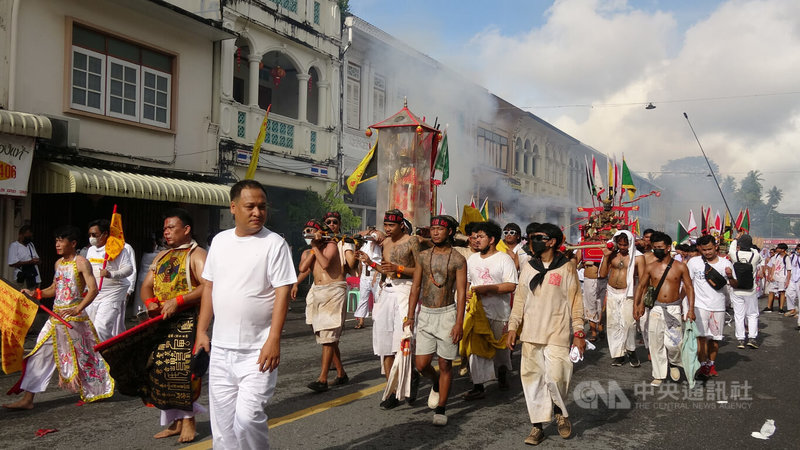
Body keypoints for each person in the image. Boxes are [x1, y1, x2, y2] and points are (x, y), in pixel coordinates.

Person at [196, 180, 297, 449]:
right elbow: (209, 286)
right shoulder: (219, 242)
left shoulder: (274, 244)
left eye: (262, 207)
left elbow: (282, 292)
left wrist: (273, 339)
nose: (257, 212)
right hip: (221, 350)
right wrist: (201, 331)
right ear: (233, 207)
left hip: (257, 351)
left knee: (248, 418)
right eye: (250, 206)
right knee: (223, 427)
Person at [3, 226, 114, 410]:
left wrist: (77, 309)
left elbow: (93, 289)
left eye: (61, 241)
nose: (57, 244)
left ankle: (98, 391)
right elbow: (54, 289)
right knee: (38, 354)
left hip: (75, 321)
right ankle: (28, 399)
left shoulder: (81, 262)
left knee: (85, 357)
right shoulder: (58, 264)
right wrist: (35, 293)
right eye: (56, 241)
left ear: (73, 243)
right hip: (55, 318)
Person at [507, 222, 585, 445]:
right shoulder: (529, 267)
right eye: (531, 237)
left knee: (558, 376)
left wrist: (578, 332)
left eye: (538, 237)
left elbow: (576, 302)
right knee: (533, 381)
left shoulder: (567, 267)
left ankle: (560, 409)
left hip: (557, 334)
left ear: (551, 241)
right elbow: (520, 299)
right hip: (531, 334)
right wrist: (513, 327)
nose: (532, 241)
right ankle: (537, 426)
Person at [139, 209, 208, 443]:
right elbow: (147, 286)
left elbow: (207, 287)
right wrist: (149, 302)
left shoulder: (197, 254)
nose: (166, 232)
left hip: (189, 320)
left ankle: (189, 420)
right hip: (162, 322)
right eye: (165, 228)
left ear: (186, 229)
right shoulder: (161, 257)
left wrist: (178, 301)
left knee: (183, 371)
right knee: (161, 370)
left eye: (171, 228)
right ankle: (175, 421)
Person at [356, 209, 426, 409]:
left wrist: (399, 269)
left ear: (401, 225)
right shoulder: (384, 242)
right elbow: (385, 270)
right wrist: (369, 262)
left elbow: (420, 271)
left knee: (402, 342)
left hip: (405, 292)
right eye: (385, 225)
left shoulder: (412, 241)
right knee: (384, 344)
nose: (387, 229)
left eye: (391, 225)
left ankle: (409, 378)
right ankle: (392, 390)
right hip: (386, 292)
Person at [403, 215, 466, 426]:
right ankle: (435, 381)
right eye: (433, 228)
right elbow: (416, 287)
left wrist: (459, 323)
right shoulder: (422, 256)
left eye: (440, 228)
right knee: (421, 364)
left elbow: (462, 293)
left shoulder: (458, 259)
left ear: (450, 232)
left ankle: (441, 408)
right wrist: (410, 316)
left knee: (445, 364)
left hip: (448, 313)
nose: (436, 232)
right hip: (426, 314)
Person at [463, 221, 517, 400]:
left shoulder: (504, 259)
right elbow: (468, 283)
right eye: (474, 237)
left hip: (499, 313)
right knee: (475, 350)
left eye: (480, 237)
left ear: (492, 239)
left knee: (501, 352)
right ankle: (478, 385)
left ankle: (502, 372)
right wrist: (467, 293)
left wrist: (487, 289)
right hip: (477, 313)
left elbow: (510, 285)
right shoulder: (472, 259)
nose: (476, 240)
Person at [634, 231, 695, 386]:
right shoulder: (650, 267)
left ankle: (674, 362)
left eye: (660, 247)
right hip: (656, 309)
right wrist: (638, 305)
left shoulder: (680, 267)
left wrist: (691, 309)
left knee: (674, 343)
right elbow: (641, 286)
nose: (657, 250)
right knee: (656, 343)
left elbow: (689, 287)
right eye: (654, 247)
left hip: (674, 308)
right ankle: (659, 374)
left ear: (668, 247)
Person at [300, 219, 349, 393]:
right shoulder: (311, 251)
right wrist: (313, 248)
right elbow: (303, 268)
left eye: (312, 230)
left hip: (334, 290)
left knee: (328, 336)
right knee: (325, 335)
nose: (308, 233)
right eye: (306, 230)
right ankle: (341, 374)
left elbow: (326, 264)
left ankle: (322, 379)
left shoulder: (331, 246)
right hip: (319, 292)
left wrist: (316, 247)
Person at [687, 234, 737, 377]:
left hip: (718, 306)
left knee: (715, 339)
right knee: (701, 338)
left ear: (716, 247)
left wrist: (731, 276)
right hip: (699, 305)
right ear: (699, 249)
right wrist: (684, 305)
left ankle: (711, 364)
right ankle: (703, 365)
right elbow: (688, 285)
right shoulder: (694, 262)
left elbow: (735, 285)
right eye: (704, 250)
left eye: (710, 249)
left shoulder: (726, 263)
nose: (707, 252)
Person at [599, 230, 645, 367]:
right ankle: (618, 355)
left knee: (629, 324)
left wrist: (640, 302)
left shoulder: (638, 257)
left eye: (625, 245)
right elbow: (602, 274)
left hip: (628, 293)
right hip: (612, 291)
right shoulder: (611, 254)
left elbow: (642, 281)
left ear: (630, 243)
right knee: (613, 324)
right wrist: (606, 257)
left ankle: (631, 350)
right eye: (620, 244)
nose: (622, 247)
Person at [85, 218, 134, 342]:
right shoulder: (90, 250)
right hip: (94, 293)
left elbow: (129, 269)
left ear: (105, 234)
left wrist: (111, 274)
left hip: (113, 293)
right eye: (90, 235)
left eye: (94, 235)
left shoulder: (119, 249)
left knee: (101, 328)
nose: (91, 237)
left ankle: (110, 352)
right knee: (89, 329)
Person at [728, 234, 762, 349]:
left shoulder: (734, 255)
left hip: (737, 289)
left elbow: (731, 248)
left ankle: (741, 339)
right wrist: (751, 247)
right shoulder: (755, 256)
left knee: (738, 314)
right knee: (752, 314)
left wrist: (736, 239)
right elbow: (757, 255)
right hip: (750, 290)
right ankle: (752, 338)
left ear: (739, 245)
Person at [355, 227, 382, 329]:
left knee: (377, 299)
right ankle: (361, 321)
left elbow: (376, 237)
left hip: (375, 274)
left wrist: (373, 233)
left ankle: (378, 320)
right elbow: (361, 263)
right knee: (363, 298)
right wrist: (360, 273)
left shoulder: (378, 245)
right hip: (365, 276)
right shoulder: (364, 246)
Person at [577, 250, 607, 342]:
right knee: (590, 306)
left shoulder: (606, 247)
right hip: (589, 280)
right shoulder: (585, 248)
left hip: (603, 280)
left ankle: (601, 327)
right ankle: (593, 331)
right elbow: (576, 261)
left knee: (602, 306)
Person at [7, 225, 41, 289]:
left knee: (34, 298)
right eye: (27, 237)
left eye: (30, 236)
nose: (29, 239)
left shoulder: (31, 245)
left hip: (34, 278)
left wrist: (37, 261)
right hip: (22, 279)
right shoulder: (14, 246)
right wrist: (29, 262)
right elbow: (11, 263)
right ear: (20, 235)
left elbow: (38, 260)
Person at [765, 244, 790, 313]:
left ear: (783, 249)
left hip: (782, 277)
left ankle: (781, 308)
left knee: (782, 292)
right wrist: (771, 276)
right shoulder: (776, 256)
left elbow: (789, 270)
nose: (777, 249)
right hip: (775, 277)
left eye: (778, 248)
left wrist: (788, 280)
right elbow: (773, 266)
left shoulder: (786, 258)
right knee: (771, 291)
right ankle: (769, 307)